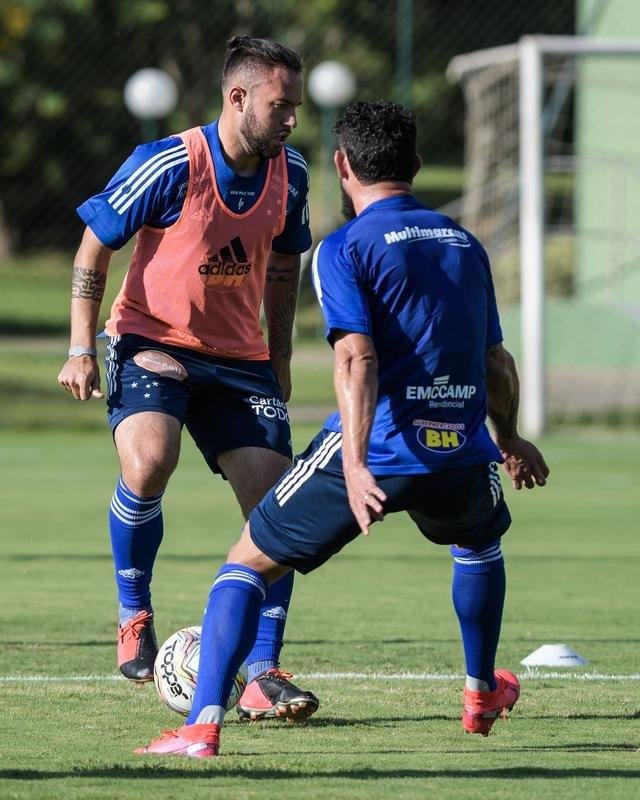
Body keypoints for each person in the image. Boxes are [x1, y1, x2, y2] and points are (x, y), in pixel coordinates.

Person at [135, 99, 550, 758]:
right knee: (478, 548)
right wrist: (510, 437)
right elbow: (494, 360)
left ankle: (200, 726)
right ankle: (480, 692)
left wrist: (355, 464)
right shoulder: (463, 243)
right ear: (415, 164)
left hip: (380, 446)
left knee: (243, 565)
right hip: (461, 448)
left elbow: (356, 357)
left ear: (341, 165)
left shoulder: (347, 246)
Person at [57, 36, 320, 722]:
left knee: (278, 508)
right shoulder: (170, 162)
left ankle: (263, 671)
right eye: (281, 104)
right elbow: (94, 244)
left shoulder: (291, 172)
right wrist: (82, 348)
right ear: (238, 98)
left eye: (296, 104)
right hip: (153, 340)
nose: (293, 118)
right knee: (149, 461)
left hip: (241, 360)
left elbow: (288, 267)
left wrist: (282, 358)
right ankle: (134, 612)